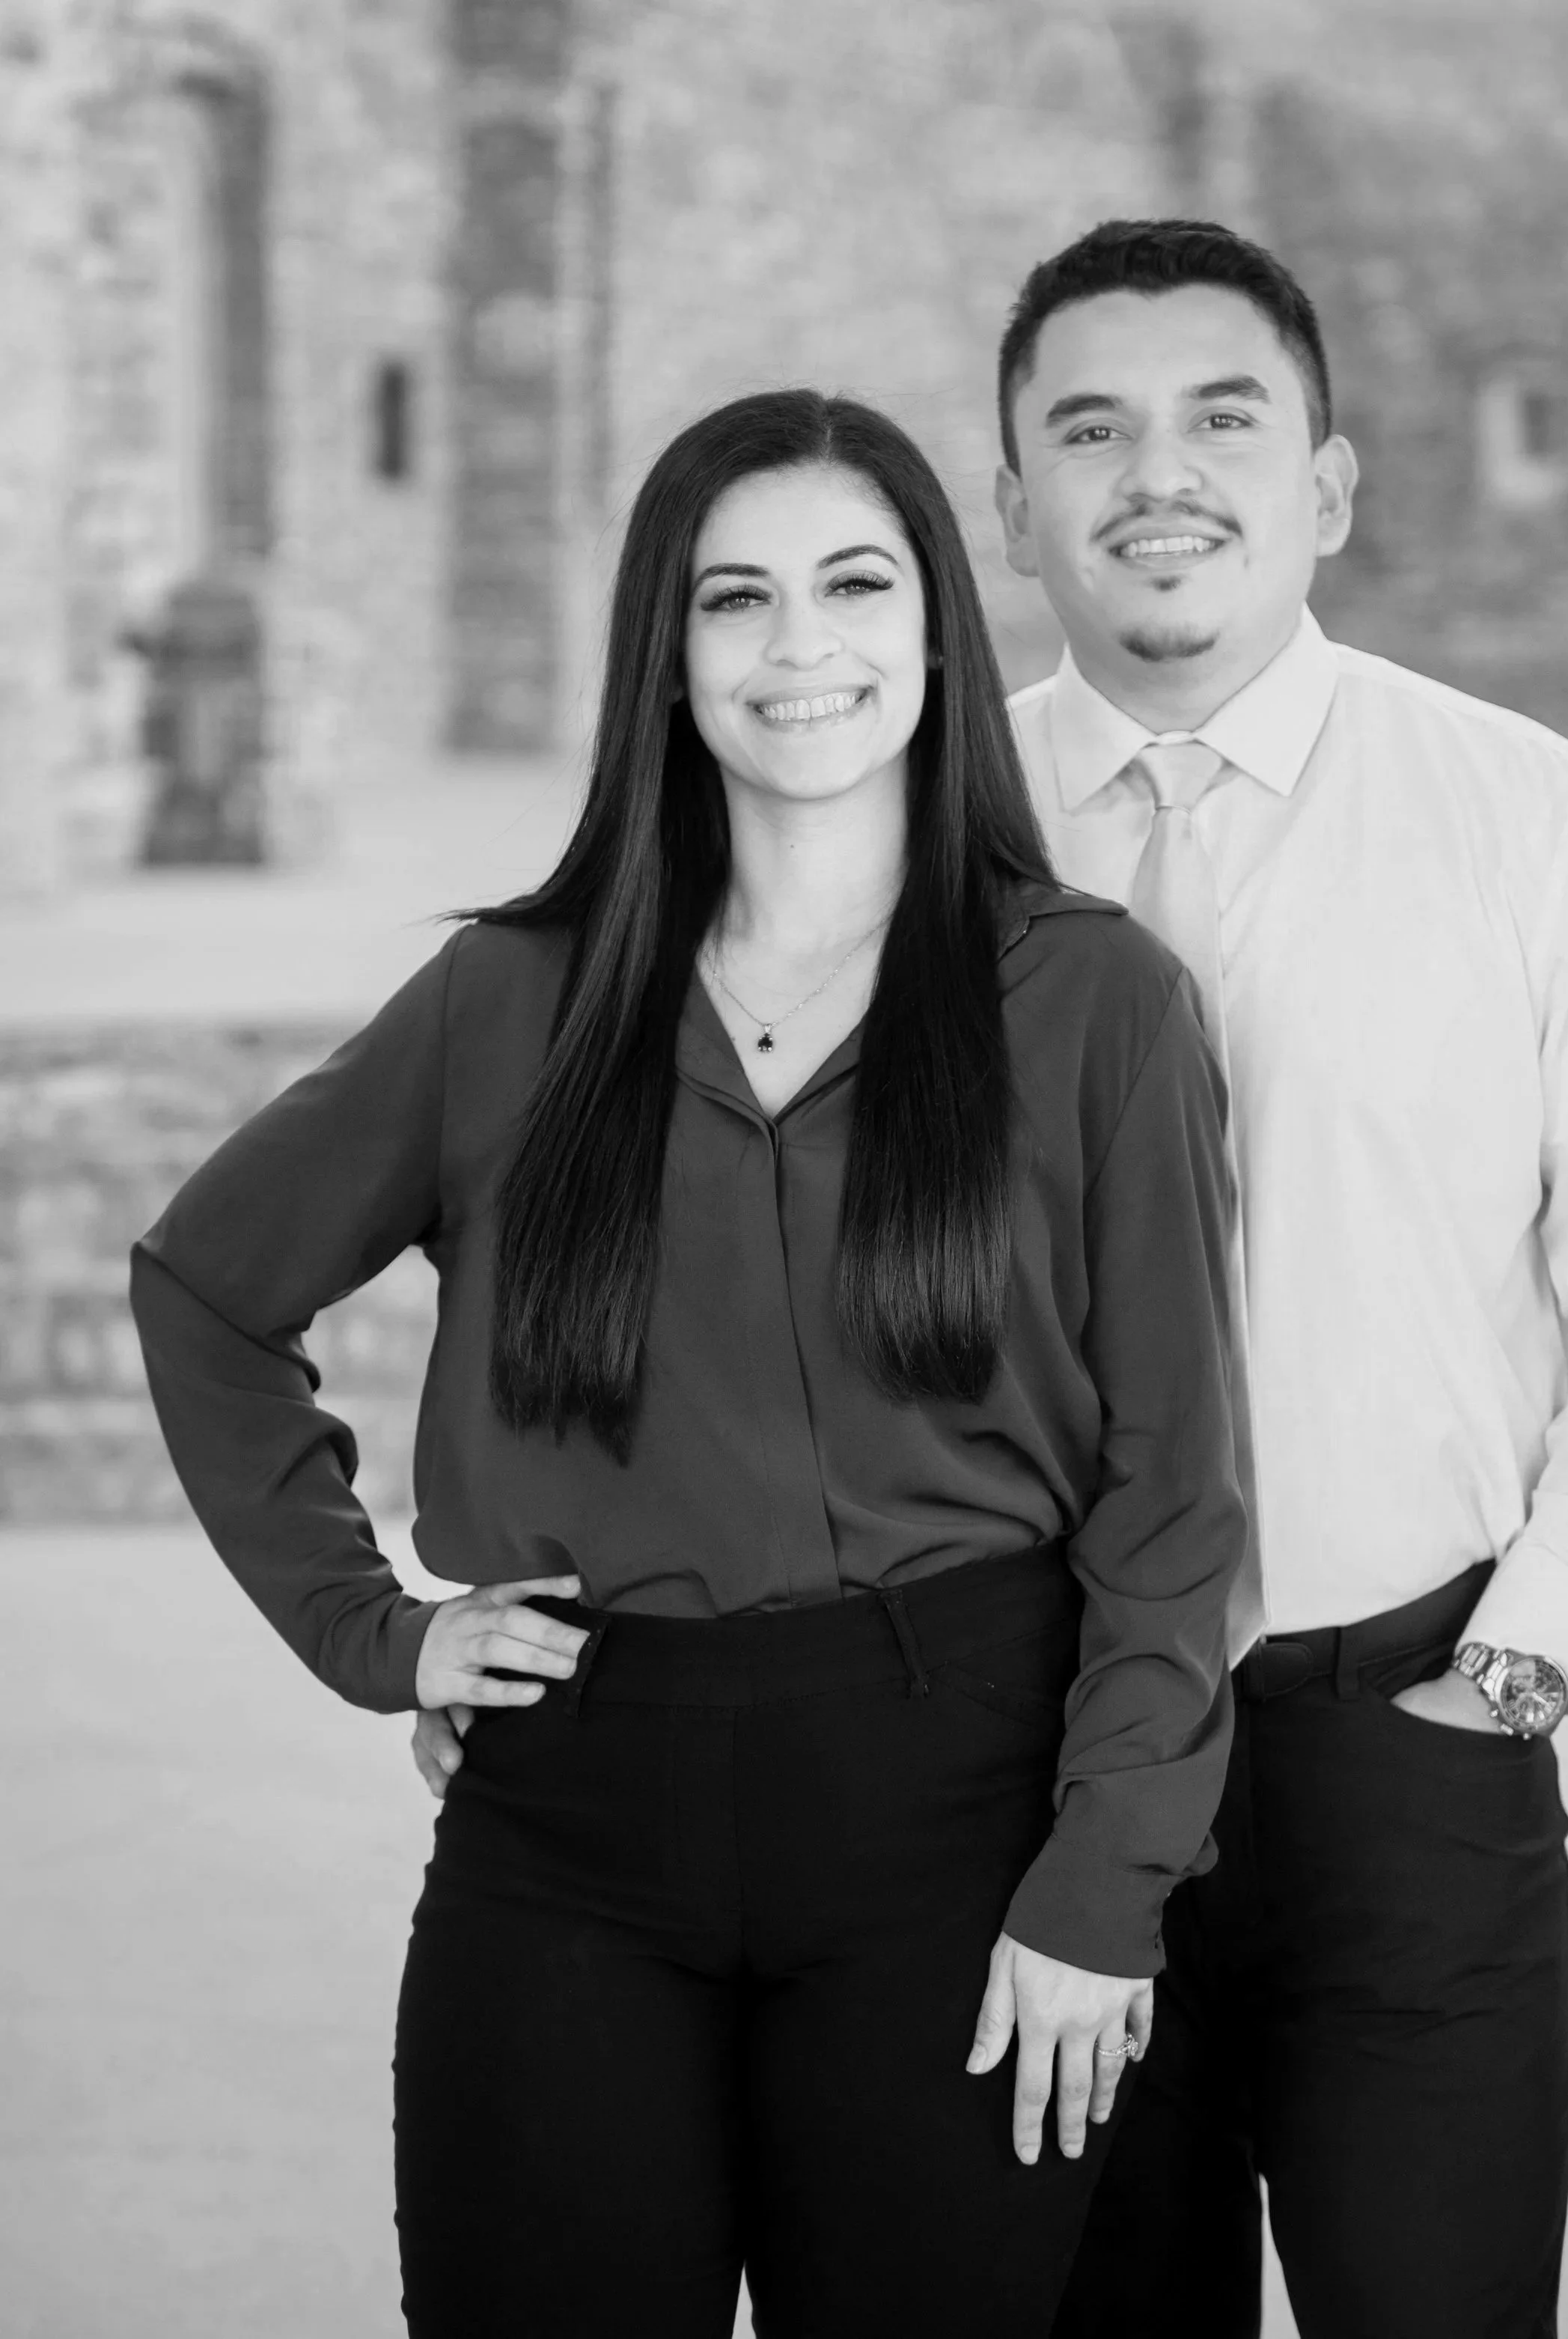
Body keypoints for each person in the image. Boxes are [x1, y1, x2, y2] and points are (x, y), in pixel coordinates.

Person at [129, 389, 1246, 2339]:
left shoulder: (1093, 1001)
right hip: (575, 1814)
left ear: (936, 629)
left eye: (853, 585)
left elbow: (1172, 1496)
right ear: (667, 651)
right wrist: (371, 1629)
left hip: (960, 1812)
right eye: (735, 598)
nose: (799, 645)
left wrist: (1105, 1886)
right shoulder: (508, 1001)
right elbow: (207, 1288)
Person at [988, 221, 1568, 2339]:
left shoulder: (1532, 817)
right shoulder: (909, 835)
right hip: (1016, 1760)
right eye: (1090, 430)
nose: (1160, 474)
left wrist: (1512, 1672)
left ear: (1325, 487)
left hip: (1405, 1751)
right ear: (1015, 505)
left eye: (1223, 420)